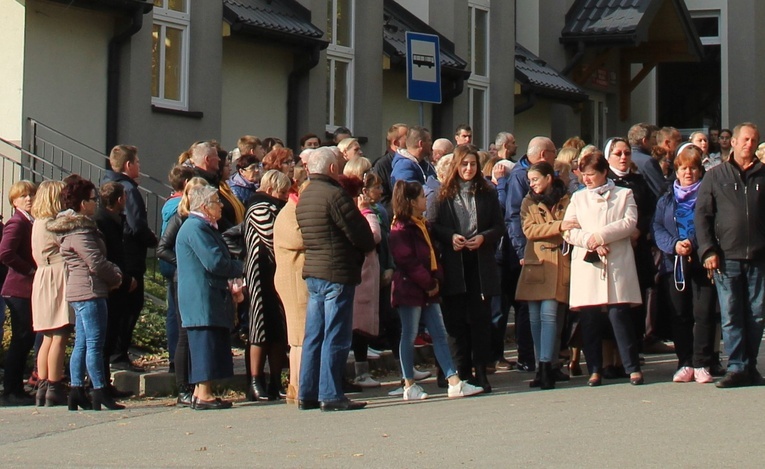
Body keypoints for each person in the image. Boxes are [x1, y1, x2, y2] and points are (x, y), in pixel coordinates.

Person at [295, 147, 376, 411]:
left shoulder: (305, 196)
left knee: (314, 335)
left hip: (315, 269)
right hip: (337, 271)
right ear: (332, 169)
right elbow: (360, 233)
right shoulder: (335, 194)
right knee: (336, 334)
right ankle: (330, 393)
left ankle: (307, 392)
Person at [389, 180, 484, 400]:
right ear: (412, 202)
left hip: (427, 287)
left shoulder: (422, 224)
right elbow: (407, 261)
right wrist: (428, 282)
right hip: (410, 288)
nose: (426, 200)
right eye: (422, 196)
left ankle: (454, 380)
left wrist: (436, 278)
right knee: (409, 334)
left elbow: (432, 253)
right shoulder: (401, 227)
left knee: (440, 333)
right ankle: (409, 384)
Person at [563, 151, 644, 387]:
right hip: (589, 263)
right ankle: (595, 369)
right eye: (584, 175)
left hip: (616, 261)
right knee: (589, 320)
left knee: (619, 316)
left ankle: (632, 368)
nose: (587, 179)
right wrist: (589, 240)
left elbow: (629, 223)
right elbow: (569, 229)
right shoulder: (578, 198)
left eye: (592, 174)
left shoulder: (623, 194)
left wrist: (601, 236)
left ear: (603, 172)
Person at [696, 122, 765, 388]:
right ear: (733, 142)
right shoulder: (716, 176)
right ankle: (736, 366)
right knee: (732, 313)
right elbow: (703, 216)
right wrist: (708, 250)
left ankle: (749, 365)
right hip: (727, 257)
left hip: (758, 257)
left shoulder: (762, 175)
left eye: (754, 140)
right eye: (745, 139)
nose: (749, 144)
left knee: (757, 314)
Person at [432, 144, 504, 392]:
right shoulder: (444, 194)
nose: (469, 169)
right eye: (464, 164)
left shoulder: (488, 192)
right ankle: (459, 371)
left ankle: (481, 371)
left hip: (479, 261)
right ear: (456, 166)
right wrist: (450, 236)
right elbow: (434, 226)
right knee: (455, 321)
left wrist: (484, 237)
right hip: (455, 262)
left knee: (480, 320)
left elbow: (498, 226)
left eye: (473, 164)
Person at [49, 178, 124, 410]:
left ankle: (76, 390)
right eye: (93, 200)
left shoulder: (75, 228)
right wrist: (116, 275)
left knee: (82, 342)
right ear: (82, 203)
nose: (96, 203)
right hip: (89, 290)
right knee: (93, 343)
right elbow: (95, 262)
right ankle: (99, 389)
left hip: (82, 289)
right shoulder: (79, 230)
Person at [652, 145, 717, 384]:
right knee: (679, 315)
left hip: (702, 261)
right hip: (674, 265)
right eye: (683, 168)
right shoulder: (666, 198)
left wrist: (693, 243)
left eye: (692, 168)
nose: (688, 173)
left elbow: (713, 225)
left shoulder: (709, 195)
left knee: (704, 313)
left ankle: (702, 362)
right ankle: (685, 362)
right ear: (676, 171)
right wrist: (674, 245)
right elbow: (657, 227)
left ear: (700, 171)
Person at [176, 185, 244, 409]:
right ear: (205, 206)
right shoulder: (195, 228)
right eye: (217, 201)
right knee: (204, 343)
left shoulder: (204, 227)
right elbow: (214, 262)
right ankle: (204, 394)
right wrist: (241, 267)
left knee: (210, 341)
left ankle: (200, 392)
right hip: (201, 295)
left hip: (207, 294)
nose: (221, 205)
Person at [500, 136, 557, 373]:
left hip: (549, 255)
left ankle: (548, 359)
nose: (555, 156)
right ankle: (529, 357)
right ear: (544, 154)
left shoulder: (552, 180)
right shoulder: (520, 177)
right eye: (553, 152)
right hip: (527, 251)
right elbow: (513, 215)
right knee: (528, 307)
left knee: (544, 309)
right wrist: (520, 249)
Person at [516, 162, 573, 390]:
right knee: (534, 317)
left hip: (558, 262)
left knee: (550, 314)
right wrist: (559, 226)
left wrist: (558, 227)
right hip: (536, 263)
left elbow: (573, 226)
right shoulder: (528, 202)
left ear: (549, 178)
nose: (532, 184)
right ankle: (540, 366)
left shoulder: (567, 199)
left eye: (536, 179)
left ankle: (548, 365)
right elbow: (529, 230)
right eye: (530, 180)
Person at [101, 144, 158, 370]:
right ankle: (119, 354)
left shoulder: (106, 183)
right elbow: (136, 225)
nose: (139, 167)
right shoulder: (128, 190)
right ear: (128, 165)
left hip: (117, 253)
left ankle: (114, 354)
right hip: (130, 257)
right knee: (130, 306)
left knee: (119, 309)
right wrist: (152, 240)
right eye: (137, 163)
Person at [156, 177, 209, 406]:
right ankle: (182, 386)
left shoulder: (206, 219)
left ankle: (198, 383)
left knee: (195, 331)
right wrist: (182, 261)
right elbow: (162, 248)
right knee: (185, 332)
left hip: (199, 279)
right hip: (183, 279)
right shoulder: (181, 217)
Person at [242, 170, 291, 401]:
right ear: (270, 189)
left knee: (278, 328)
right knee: (259, 327)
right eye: (281, 192)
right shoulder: (259, 207)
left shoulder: (275, 207)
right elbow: (273, 238)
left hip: (276, 273)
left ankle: (275, 380)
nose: (283, 197)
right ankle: (255, 380)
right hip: (260, 273)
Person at [94, 181, 139, 399]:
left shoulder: (114, 221)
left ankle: (104, 383)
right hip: (110, 285)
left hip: (118, 281)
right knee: (104, 337)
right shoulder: (102, 222)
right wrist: (122, 277)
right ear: (120, 199)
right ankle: (98, 383)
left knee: (110, 335)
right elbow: (108, 256)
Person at [29, 181, 71, 406]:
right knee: (58, 335)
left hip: (43, 276)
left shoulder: (37, 223)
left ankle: (43, 384)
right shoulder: (53, 224)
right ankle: (54, 384)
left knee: (47, 335)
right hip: (57, 276)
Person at [0, 180, 37, 406]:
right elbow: (5, 253)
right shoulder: (17, 222)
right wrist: (29, 268)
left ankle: (17, 388)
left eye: (32, 195)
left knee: (26, 338)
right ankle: (11, 389)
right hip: (18, 288)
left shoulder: (30, 221)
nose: (29, 199)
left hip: (27, 289)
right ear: (14, 201)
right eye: (24, 196)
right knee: (21, 338)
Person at [273, 180, 309, 403]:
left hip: (296, 277)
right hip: (293, 278)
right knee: (300, 336)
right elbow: (300, 238)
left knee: (298, 338)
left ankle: (296, 384)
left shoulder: (293, 211)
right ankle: (298, 384)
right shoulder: (288, 213)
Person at [158, 165, 194, 374]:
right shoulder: (179, 209)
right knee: (178, 315)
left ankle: (175, 357)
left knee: (174, 312)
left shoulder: (169, 205)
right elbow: (165, 245)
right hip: (175, 265)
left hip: (170, 265)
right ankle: (177, 358)